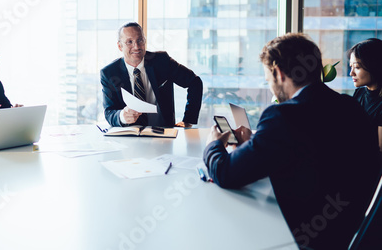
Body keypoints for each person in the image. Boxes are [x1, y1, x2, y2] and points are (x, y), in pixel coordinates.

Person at [203, 33, 380, 249]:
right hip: (346, 230)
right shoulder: (351, 106)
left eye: (269, 79)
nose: (270, 87)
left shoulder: (283, 116)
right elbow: (309, 151)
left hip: (300, 236)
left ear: (278, 73)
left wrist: (213, 144)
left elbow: (225, 173)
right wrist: (256, 144)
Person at [100, 22, 203, 128]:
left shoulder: (162, 61)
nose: (136, 46)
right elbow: (109, 112)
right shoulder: (109, 73)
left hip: (163, 134)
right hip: (128, 136)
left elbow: (195, 82)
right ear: (120, 46)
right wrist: (122, 116)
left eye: (140, 40)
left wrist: (188, 120)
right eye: (129, 42)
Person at [348, 38, 382, 151]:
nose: (351, 73)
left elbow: (379, 150)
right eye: (351, 67)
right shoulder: (359, 93)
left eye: (357, 67)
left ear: (374, 66)